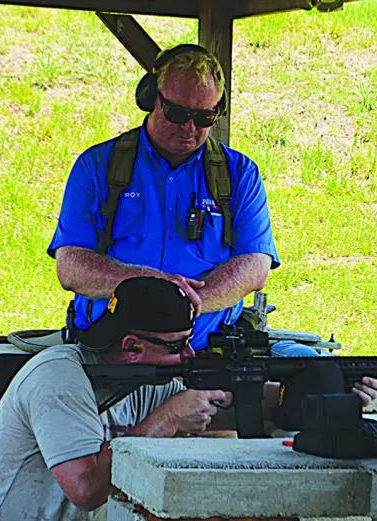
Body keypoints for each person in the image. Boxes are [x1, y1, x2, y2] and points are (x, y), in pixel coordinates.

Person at [0, 277, 377, 521]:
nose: (188, 355)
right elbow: (86, 490)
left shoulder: (141, 376)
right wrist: (168, 418)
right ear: (132, 346)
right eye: (177, 346)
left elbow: (243, 403)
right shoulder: (59, 378)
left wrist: (331, 393)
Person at [47, 43, 280, 352]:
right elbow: (71, 266)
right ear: (150, 99)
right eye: (177, 113)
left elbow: (255, 266)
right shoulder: (97, 166)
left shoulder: (240, 174)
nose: (189, 128)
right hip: (111, 354)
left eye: (204, 117)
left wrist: (182, 305)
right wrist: (153, 289)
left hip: (207, 354)